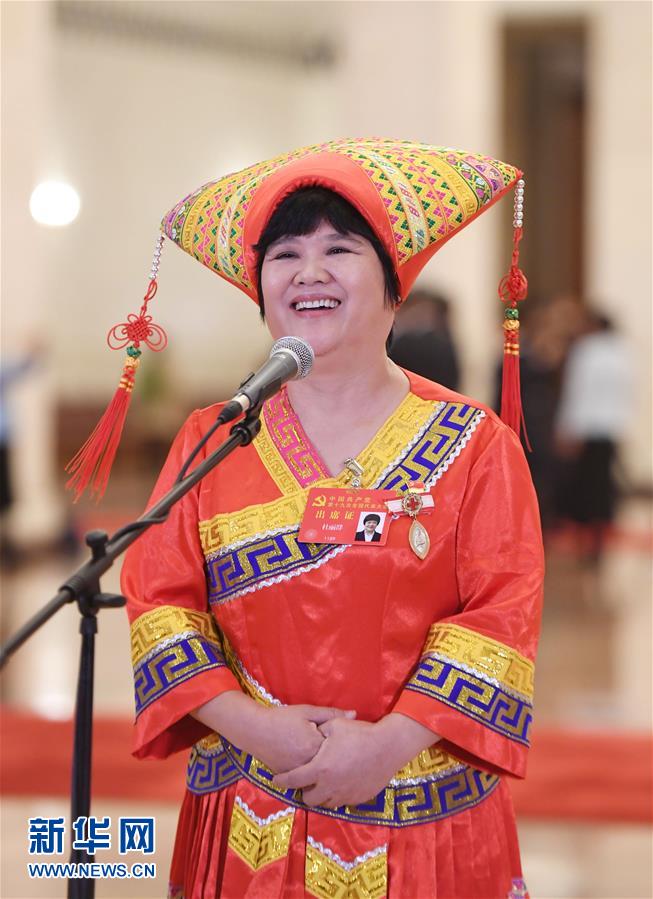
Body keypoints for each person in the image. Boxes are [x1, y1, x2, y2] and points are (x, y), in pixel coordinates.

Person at [121, 139, 543, 899]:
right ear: (262, 291)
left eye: (339, 250)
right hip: (250, 805)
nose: (308, 272)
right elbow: (159, 601)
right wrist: (252, 725)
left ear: (394, 286)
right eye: (284, 255)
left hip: (424, 817)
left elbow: (501, 612)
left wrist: (388, 745)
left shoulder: (476, 443)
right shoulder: (215, 437)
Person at [554, 308, 633, 563]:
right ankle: (599, 536)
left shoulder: (586, 351)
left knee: (586, 485)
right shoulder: (622, 352)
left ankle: (585, 538)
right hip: (611, 426)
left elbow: (577, 392)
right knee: (603, 485)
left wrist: (567, 427)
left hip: (586, 427)